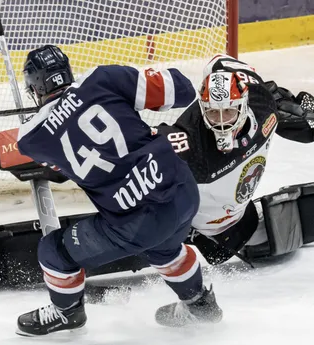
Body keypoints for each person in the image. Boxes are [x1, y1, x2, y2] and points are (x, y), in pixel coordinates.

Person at [15, 45, 223, 336]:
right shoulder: (104, 79)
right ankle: (199, 303)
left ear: (35, 88)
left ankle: (67, 313)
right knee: (163, 248)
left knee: (53, 251)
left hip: (136, 222)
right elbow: (184, 90)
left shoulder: (31, 138)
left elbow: (57, 164)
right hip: (181, 192)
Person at [152, 54, 314, 266]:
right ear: (202, 109)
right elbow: (139, 149)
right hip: (202, 231)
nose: (220, 122)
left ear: (243, 104)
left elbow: (219, 62)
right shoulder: (192, 145)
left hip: (239, 220)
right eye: (212, 113)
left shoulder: (263, 103)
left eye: (228, 111)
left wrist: (293, 107)